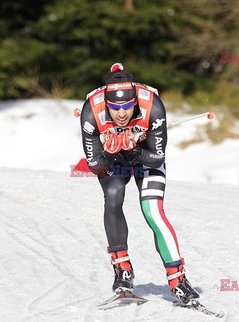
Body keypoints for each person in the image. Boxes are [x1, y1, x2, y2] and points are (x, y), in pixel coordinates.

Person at [79, 63, 199, 305]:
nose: (121, 114)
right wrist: (112, 152)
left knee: (152, 211)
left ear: (135, 101)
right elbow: (94, 165)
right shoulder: (91, 112)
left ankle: (178, 280)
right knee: (114, 194)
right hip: (114, 159)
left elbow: (157, 157)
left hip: (145, 157)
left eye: (127, 107)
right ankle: (122, 268)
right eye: (115, 108)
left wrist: (132, 149)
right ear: (106, 104)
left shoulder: (152, 105)